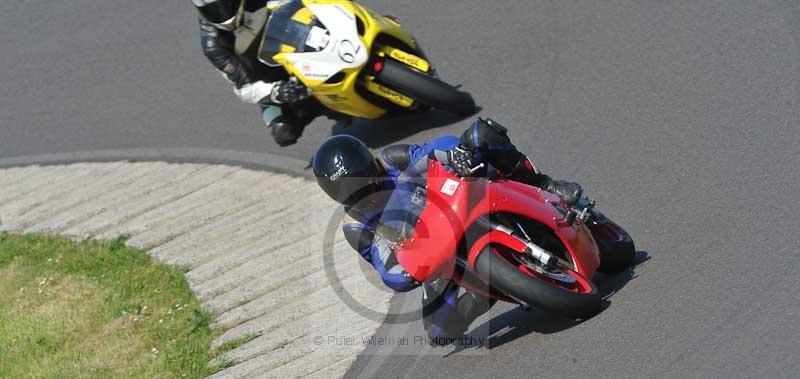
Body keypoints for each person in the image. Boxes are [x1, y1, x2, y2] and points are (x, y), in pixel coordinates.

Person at [312, 118, 583, 344]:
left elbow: (430, 150)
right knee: (439, 331)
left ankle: (546, 186)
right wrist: (405, 273)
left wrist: (452, 153)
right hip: (433, 248)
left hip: (460, 197)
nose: (369, 199)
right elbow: (384, 264)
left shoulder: (391, 161)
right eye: (356, 196)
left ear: (372, 168)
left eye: (368, 187)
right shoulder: (355, 225)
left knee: (481, 134)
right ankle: (486, 289)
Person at [193, 0, 322, 146]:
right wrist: (276, 91)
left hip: (298, 31)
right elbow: (245, 88)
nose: (222, 14)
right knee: (283, 133)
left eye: (225, 4)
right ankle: (318, 103)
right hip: (271, 75)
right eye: (212, 10)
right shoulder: (213, 46)